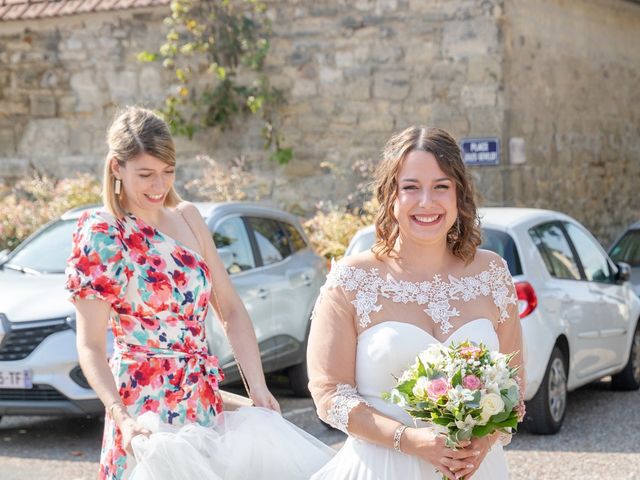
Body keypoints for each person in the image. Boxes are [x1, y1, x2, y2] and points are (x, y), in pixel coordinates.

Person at [65, 106, 282, 479]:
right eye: (145, 174)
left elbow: (229, 310)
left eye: (167, 172)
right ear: (117, 167)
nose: (158, 186)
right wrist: (123, 418)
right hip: (143, 412)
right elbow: (90, 347)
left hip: (203, 400)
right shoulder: (103, 233)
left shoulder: (188, 217)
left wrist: (258, 387)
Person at [307, 126, 525, 480]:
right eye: (411, 187)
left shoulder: (492, 274)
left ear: (459, 195)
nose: (427, 202)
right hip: (384, 467)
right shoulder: (352, 280)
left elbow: (515, 389)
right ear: (390, 195)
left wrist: (481, 444)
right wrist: (409, 441)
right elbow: (329, 395)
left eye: (441, 186)